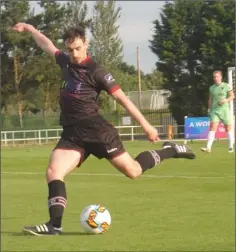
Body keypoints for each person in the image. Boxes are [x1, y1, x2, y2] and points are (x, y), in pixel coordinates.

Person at [11, 23, 196, 236]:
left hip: (97, 131)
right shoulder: (66, 62)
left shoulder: (97, 72)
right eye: (70, 50)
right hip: (72, 133)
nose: (74, 54)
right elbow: (48, 45)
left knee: (133, 171)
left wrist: (146, 125)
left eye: (78, 48)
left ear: (86, 44)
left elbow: (122, 99)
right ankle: (55, 224)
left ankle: (171, 150)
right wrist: (30, 29)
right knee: (54, 172)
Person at [201, 70, 234, 153]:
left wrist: (225, 100)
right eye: (214, 77)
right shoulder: (211, 88)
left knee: (228, 128)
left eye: (217, 76)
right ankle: (208, 147)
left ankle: (230, 146)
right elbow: (210, 99)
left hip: (225, 110)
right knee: (212, 127)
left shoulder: (227, 86)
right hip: (215, 110)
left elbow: (232, 96)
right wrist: (209, 109)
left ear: (221, 77)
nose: (215, 78)